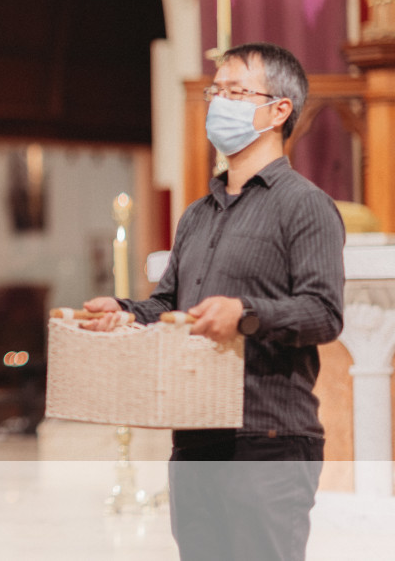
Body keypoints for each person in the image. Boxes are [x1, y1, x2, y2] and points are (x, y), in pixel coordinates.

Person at [83, 43, 344, 561]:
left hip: (269, 435)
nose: (218, 102)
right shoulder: (197, 215)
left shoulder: (306, 205)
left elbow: (324, 312)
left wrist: (244, 314)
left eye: (234, 91)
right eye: (215, 91)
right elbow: (168, 305)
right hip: (196, 434)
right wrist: (126, 313)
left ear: (278, 110)